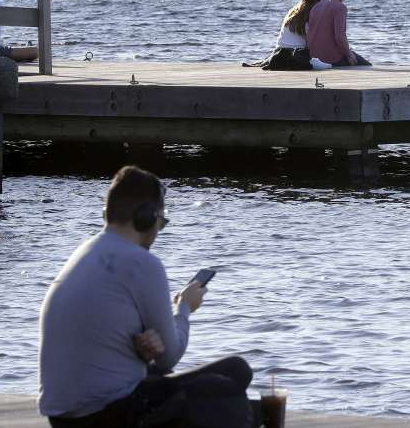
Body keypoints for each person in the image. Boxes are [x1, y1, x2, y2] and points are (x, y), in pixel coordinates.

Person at [38, 166, 253, 428]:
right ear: (147, 218)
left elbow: (141, 353)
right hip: (105, 415)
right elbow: (169, 358)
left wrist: (145, 350)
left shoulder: (85, 252)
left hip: (61, 418)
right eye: (161, 222)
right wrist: (184, 307)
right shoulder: (141, 263)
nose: (159, 230)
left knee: (230, 373)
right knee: (228, 385)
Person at [307, 0, 370, 66]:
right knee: (366, 65)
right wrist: (349, 55)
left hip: (314, 56)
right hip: (331, 58)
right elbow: (340, 37)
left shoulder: (317, 6)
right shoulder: (340, 8)